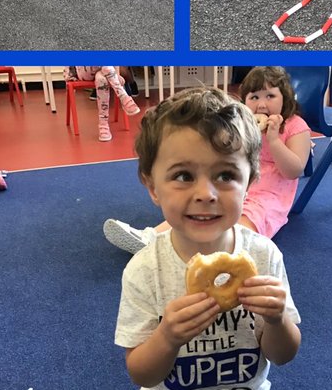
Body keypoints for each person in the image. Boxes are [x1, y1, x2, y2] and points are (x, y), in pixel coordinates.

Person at [114, 87, 301, 390]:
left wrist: (276, 319)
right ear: (152, 186)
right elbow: (141, 373)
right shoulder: (144, 270)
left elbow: (283, 354)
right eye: (183, 176)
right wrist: (167, 337)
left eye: (226, 175)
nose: (206, 194)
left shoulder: (263, 257)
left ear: (251, 184)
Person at [103, 66, 312, 253]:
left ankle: (238, 245)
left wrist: (274, 141)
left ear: (285, 97)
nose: (262, 104)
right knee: (194, 203)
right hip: (236, 178)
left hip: (271, 192)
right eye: (254, 97)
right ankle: (151, 237)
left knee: (252, 213)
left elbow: (293, 170)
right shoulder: (245, 123)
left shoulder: (295, 126)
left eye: (270, 96)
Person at [73, 65, 142, 141]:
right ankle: (123, 96)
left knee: (102, 79)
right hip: (85, 70)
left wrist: (117, 74)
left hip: (104, 70)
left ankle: (103, 125)